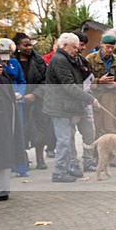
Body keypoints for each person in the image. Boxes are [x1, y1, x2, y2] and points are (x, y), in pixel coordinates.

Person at [43, 33, 99, 183]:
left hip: (66, 106)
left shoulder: (69, 59)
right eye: (74, 47)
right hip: (59, 106)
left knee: (66, 139)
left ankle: (66, 169)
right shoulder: (59, 60)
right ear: (64, 45)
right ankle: (59, 172)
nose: (77, 50)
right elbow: (69, 85)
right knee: (63, 141)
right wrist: (90, 99)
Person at [0, 37, 24, 200]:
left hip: (5, 117)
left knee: (3, 149)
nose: (0, 49)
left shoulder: (1, 66)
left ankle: (0, 189)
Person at [13, 33, 51, 170]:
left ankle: (40, 158)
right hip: (18, 100)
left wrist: (35, 95)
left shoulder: (38, 60)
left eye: (30, 44)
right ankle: (23, 158)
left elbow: (46, 81)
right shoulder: (11, 61)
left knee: (39, 129)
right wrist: (19, 96)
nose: (29, 47)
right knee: (20, 129)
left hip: (37, 100)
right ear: (17, 46)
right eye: (25, 45)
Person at [0, 38, 29, 177]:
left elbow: (22, 80)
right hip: (2, 100)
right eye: (3, 51)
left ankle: (21, 167)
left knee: (18, 131)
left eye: (8, 51)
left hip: (17, 101)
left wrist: (20, 93)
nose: (5, 54)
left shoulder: (14, 63)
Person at [85, 34, 116, 138]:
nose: (110, 49)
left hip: (111, 97)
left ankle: (110, 153)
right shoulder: (90, 59)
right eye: (108, 47)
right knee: (95, 128)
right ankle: (94, 153)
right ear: (101, 45)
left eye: (113, 47)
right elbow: (84, 80)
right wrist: (99, 81)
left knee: (110, 129)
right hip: (95, 97)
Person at [68, 32, 97, 173]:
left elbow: (89, 79)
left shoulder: (83, 61)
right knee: (70, 136)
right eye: (80, 44)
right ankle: (73, 163)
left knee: (90, 133)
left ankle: (89, 161)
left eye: (84, 45)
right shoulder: (64, 62)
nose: (83, 48)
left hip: (85, 104)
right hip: (71, 105)